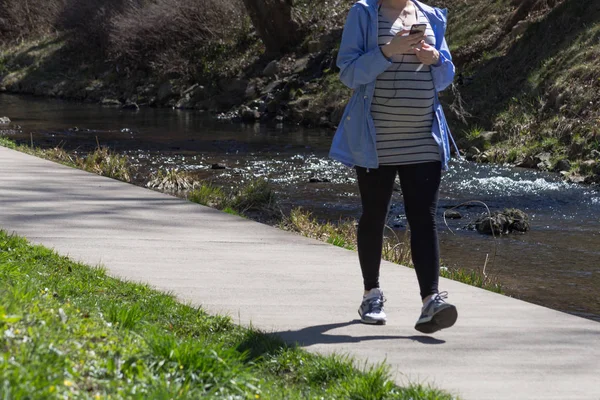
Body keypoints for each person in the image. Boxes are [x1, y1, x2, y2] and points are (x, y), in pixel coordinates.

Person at [329, 0, 459, 334]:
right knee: (375, 214)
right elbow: (348, 72)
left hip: (424, 137)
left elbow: (445, 76)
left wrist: (435, 59)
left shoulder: (430, 15)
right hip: (375, 138)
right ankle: (371, 294)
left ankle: (431, 301)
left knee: (423, 218)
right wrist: (388, 51)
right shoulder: (363, 12)